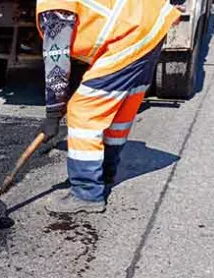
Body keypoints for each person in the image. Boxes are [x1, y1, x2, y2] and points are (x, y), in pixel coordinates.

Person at [37, 0, 181, 214]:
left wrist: (53, 112)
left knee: (83, 109)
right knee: (124, 103)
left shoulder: (53, 2)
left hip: (131, 33)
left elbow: (56, 58)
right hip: (150, 25)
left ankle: (86, 193)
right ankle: (105, 172)